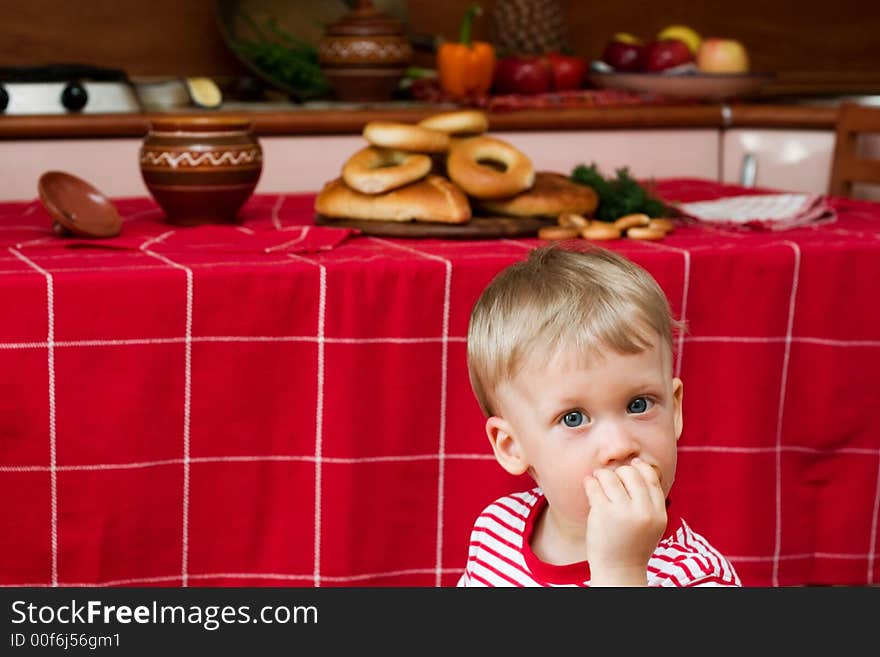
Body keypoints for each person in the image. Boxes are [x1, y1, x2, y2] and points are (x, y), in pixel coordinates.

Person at [458, 243, 741, 587]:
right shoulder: (496, 532)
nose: (619, 446)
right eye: (573, 418)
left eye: (639, 405)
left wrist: (621, 572)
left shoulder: (695, 575)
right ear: (512, 445)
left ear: (675, 408)